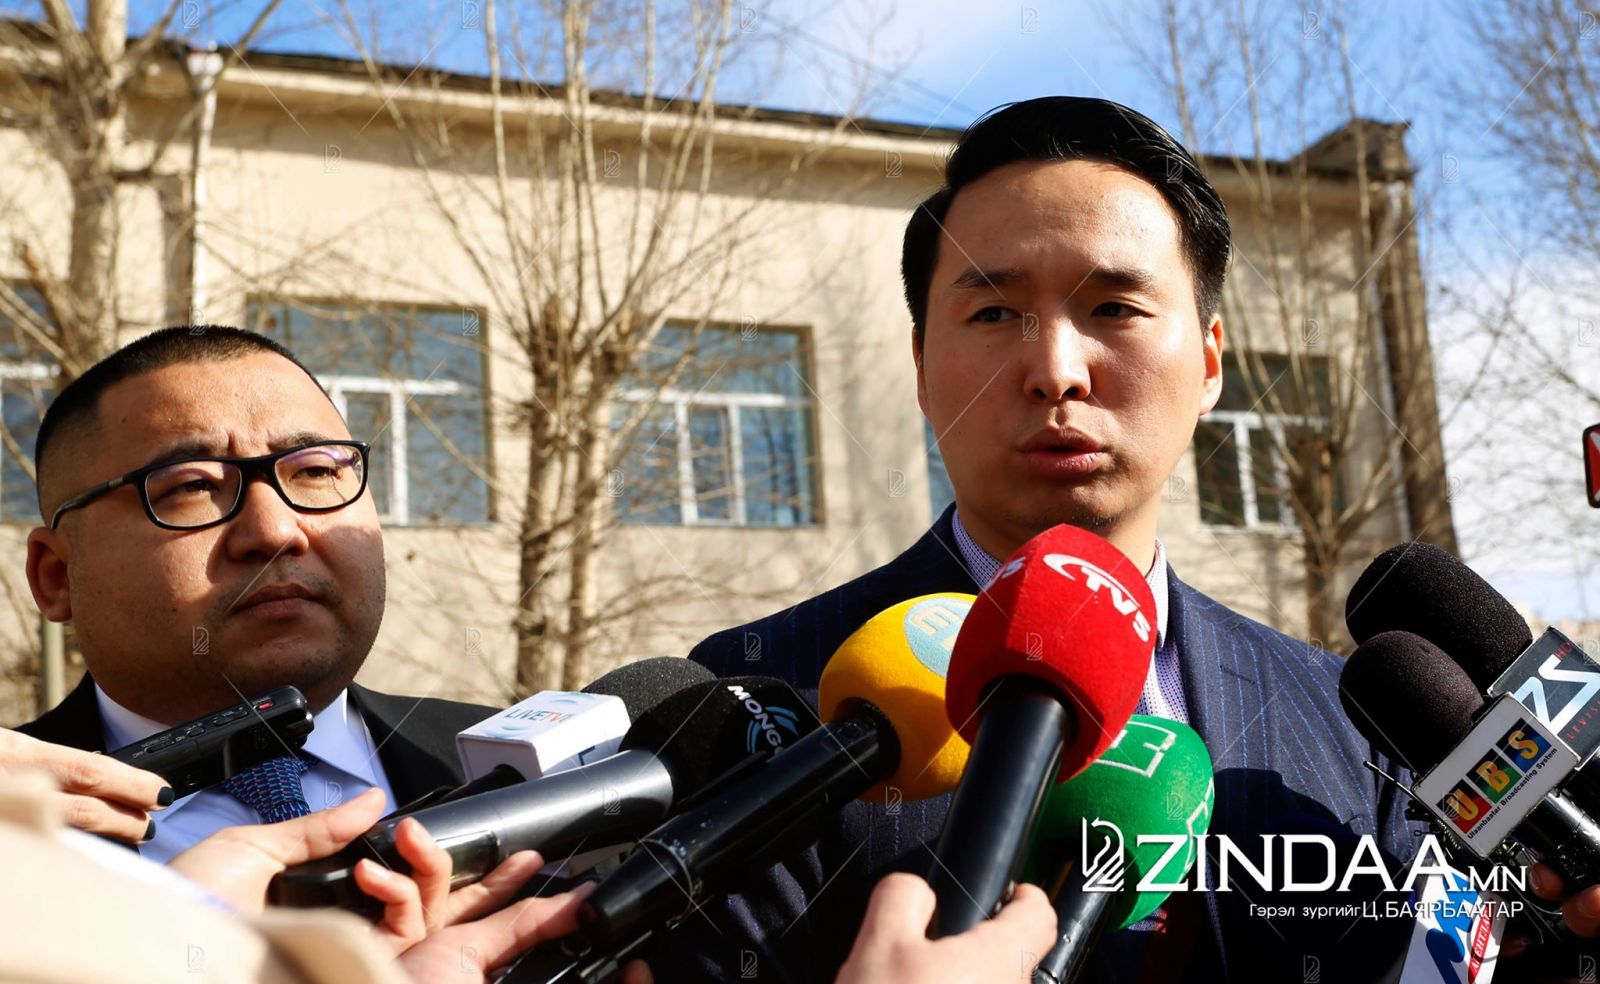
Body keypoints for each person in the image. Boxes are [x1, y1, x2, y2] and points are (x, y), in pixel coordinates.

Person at [668, 96, 1423, 981]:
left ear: (1210, 363)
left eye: (1115, 307)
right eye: (994, 314)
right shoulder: (763, 705)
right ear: (921, 368)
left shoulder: (1346, 717)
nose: (1056, 372)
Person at [12, 326, 493, 860]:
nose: (276, 531)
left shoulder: (525, 770)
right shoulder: (15, 824)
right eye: (193, 485)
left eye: (315, 470)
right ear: (57, 576)